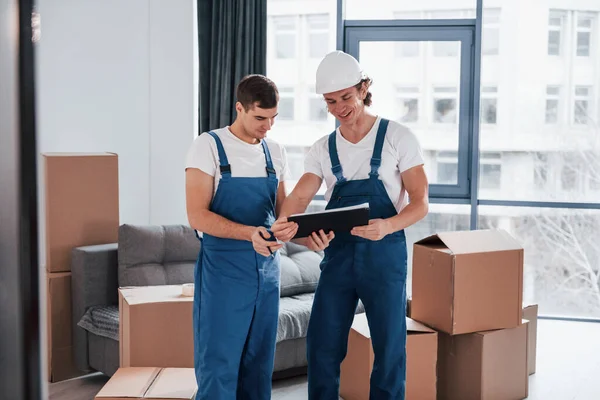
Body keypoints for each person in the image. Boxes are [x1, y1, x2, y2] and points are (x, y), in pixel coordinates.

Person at [271, 51, 429, 400]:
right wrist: (293, 230)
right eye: (330, 101)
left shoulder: (397, 137)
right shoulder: (322, 149)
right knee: (322, 345)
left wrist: (387, 225)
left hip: (384, 258)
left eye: (346, 97)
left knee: (389, 349)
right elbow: (297, 200)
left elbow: (420, 202)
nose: (339, 107)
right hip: (338, 260)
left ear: (364, 88)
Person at [185, 74, 299, 399]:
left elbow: (282, 213)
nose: (268, 126)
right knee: (219, 365)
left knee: (259, 365)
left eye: (273, 118)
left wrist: (303, 231)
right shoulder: (207, 146)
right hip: (224, 272)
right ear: (239, 108)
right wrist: (250, 233)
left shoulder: (275, 152)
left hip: (267, 272)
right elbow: (197, 215)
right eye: (260, 118)